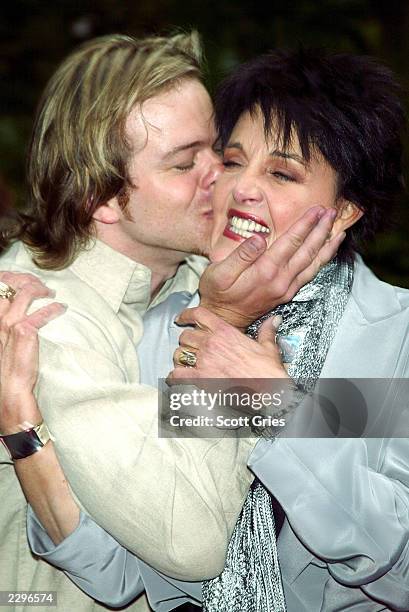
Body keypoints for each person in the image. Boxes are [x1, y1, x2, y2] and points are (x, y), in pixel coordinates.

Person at [2, 47, 409, 611]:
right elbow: (128, 575)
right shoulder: (171, 318)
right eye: (234, 159)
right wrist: (30, 445)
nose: (235, 186)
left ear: (344, 211)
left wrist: (278, 409)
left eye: (283, 172)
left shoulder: (392, 337)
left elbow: (396, 565)